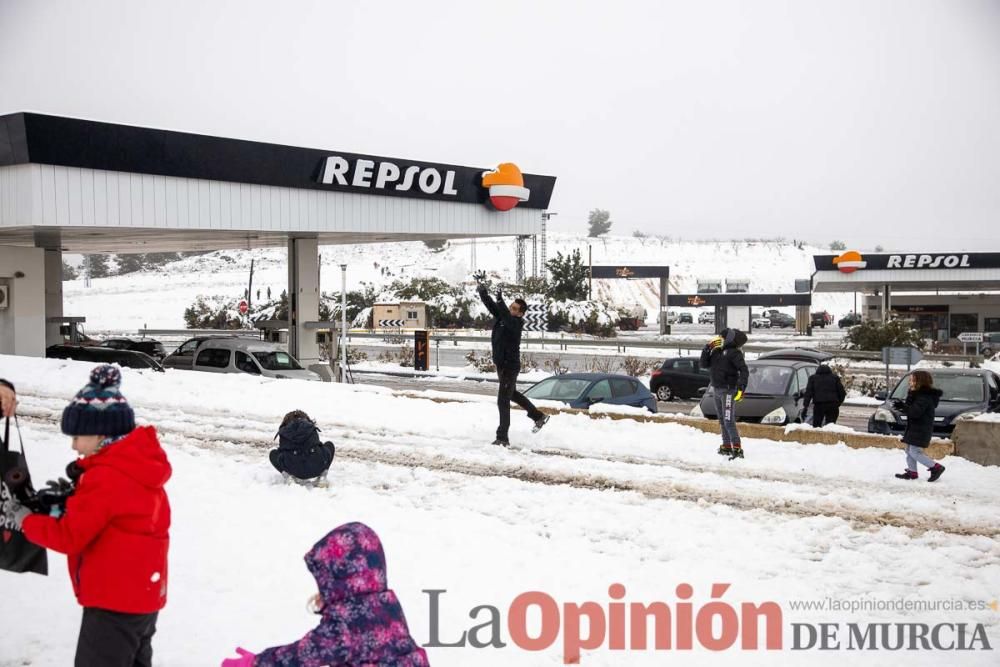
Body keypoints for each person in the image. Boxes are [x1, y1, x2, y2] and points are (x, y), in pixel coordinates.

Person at [4, 365, 172, 666]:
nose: (72, 445)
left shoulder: (105, 478)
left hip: (113, 600)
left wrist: (26, 520)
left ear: (100, 435)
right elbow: (116, 518)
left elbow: (70, 536)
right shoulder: (138, 467)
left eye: (77, 436)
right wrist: (65, 503)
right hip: (143, 596)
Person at [220, 522, 429, 667]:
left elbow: (302, 656)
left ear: (339, 578)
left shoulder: (347, 623)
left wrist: (256, 663)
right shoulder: (385, 605)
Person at [475, 274, 548, 446]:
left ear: (521, 313)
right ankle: (538, 416)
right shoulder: (503, 318)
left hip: (510, 367)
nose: (512, 310)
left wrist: (501, 302)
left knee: (503, 400)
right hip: (502, 365)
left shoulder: (516, 324)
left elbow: (507, 317)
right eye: (511, 307)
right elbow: (492, 306)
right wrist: (483, 292)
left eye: (515, 309)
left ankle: (502, 437)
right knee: (512, 394)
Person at [700, 328, 749, 459]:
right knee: (722, 420)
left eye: (721, 337)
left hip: (728, 391)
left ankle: (737, 448)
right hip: (716, 389)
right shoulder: (716, 352)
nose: (718, 339)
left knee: (728, 421)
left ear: (727, 338)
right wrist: (707, 349)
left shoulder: (734, 353)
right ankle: (726, 446)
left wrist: (741, 387)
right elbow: (704, 364)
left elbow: (744, 370)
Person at [893, 370, 946, 482]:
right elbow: (910, 408)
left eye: (912, 380)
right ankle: (912, 472)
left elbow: (915, 412)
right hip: (914, 428)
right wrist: (906, 401)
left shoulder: (924, 397)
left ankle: (936, 467)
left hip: (921, 429)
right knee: (908, 450)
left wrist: (904, 407)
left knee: (914, 451)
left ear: (919, 382)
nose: (910, 382)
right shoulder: (918, 394)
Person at [269, 410, 335, 484]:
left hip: (293, 469)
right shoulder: (310, 427)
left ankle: (288, 477)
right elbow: (318, 445)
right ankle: (323, 476)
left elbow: (282, 450)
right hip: (317, 468)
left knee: (273, 454)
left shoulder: (284, 431)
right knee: (329, 445)